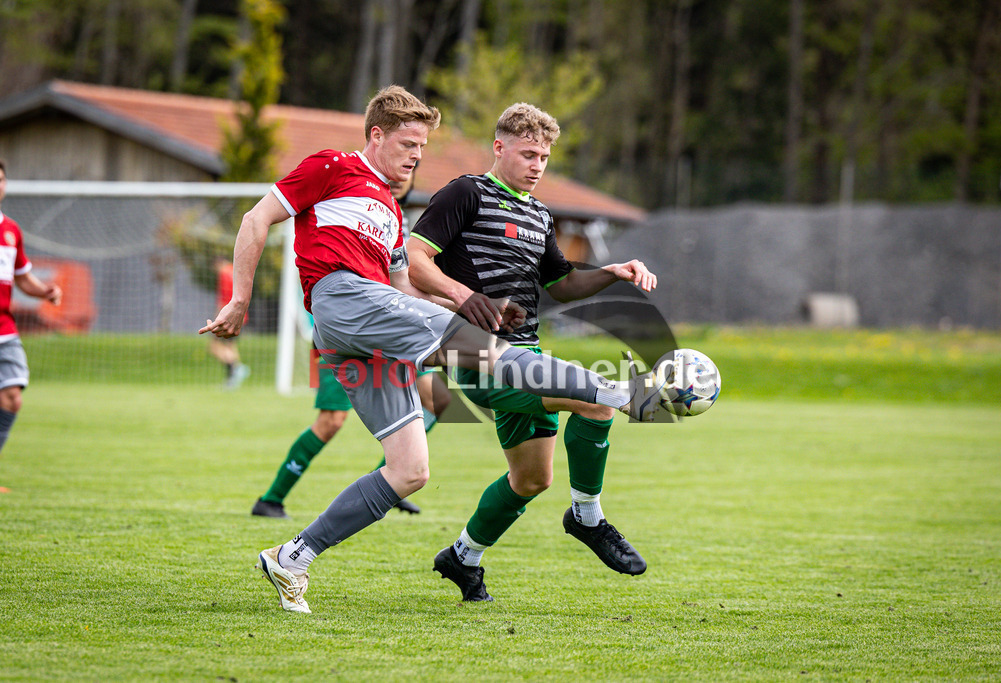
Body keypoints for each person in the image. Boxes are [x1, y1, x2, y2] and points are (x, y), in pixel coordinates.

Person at [199, 85, 667, 614]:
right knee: (484, 351)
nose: (417, 155)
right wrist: (239, 298)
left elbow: (404, 288)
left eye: (422, 146)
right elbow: (255, 219)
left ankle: (293, 556)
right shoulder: (332, 165)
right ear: (376, 135)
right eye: (409, 143)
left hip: (367, 328)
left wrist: (452, 319)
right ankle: (623, 394)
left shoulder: (392, 213)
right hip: (342, 298)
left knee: (409, 471)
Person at [407, 103, 657, 601]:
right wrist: (464, 298)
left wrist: (612, 271)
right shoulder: (466, 193)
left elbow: (560, 284)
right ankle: (588, 517)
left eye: (544, 156)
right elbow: (416, 261)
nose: (537, 164)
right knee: (597, 399)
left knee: (530, 479)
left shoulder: (540, 214)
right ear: (498, 148)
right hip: (473, 353)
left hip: (525, 353)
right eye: (527, 154)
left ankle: (462, 557)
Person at [250, 165, 451, 519]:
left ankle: (395, 478)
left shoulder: (397, 223)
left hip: (387, 334)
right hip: (343, 334)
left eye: (415, 162)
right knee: (330, 422)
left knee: (441, 400)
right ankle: (271, 498)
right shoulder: (348, 198)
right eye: (405, 153)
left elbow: (402, 285)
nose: (407, 169)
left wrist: (463, 302)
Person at [0, 159, 64, 492]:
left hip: (4, 329)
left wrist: (46, 292)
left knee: (12, 397)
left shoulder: (11, 230)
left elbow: (23, 279)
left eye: (0, 179)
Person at [208, 257, 250, 389]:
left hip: (228, 318)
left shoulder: (224, 273)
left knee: (214, 347)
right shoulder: (234, 271)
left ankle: (237, 368)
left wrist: (217, 316)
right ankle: (232, 380)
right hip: (241, 317)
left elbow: (223, 297)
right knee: (230, 347)